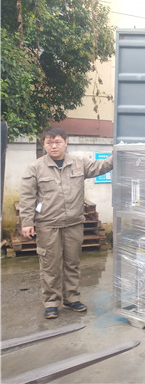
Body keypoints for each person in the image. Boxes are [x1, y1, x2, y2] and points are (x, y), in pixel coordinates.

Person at [19, 127, 113, 319]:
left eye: (58, 142)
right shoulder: (35, 168)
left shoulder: (79, 163)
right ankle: (51, 302)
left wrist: (117, 155)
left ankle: (71, 298)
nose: (54, 146)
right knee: (50, 266)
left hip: (73, 224)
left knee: (72, 263)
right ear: (44, 144)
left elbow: (101, 167)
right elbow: (27, 197)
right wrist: (27, 222)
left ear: (65, 142)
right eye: (49, 143)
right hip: (48, 225)